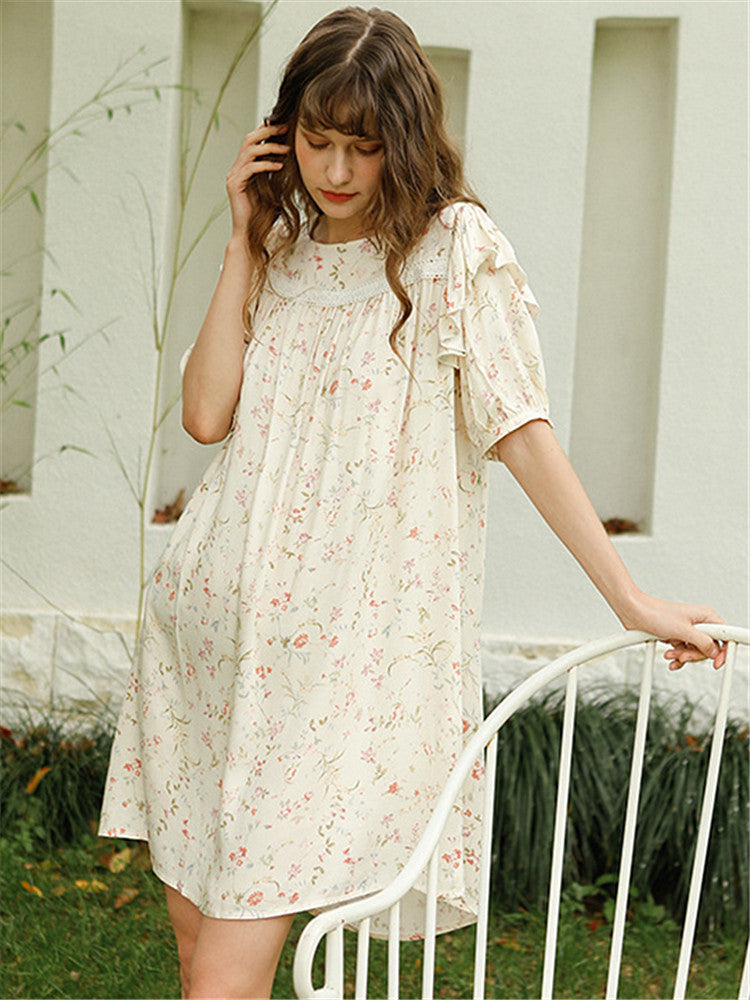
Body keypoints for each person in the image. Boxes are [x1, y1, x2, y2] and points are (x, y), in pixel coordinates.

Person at [98, 7, 726, 998]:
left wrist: (629, 598)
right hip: (206, 643)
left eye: (363, 145)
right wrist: (243, 240)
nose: (336, 170)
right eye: (317, 141)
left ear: (406, 138)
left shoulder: (454, 250)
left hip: (329, 676)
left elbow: (521, 429)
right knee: (196, 961)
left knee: (222, 978)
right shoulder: (279, 246)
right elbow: (206, 415)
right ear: (284, 134)